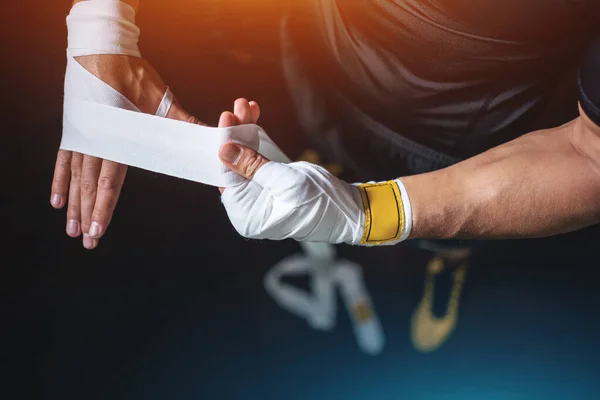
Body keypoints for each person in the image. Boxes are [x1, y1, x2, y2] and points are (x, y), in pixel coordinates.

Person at [51, 0, 600, 256]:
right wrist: (102, 20)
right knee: (316, 141)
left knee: (441, 235)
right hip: (320, 46)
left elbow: (590, 156)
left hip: (460, 139)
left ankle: (443, 253)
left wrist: (370, 215)